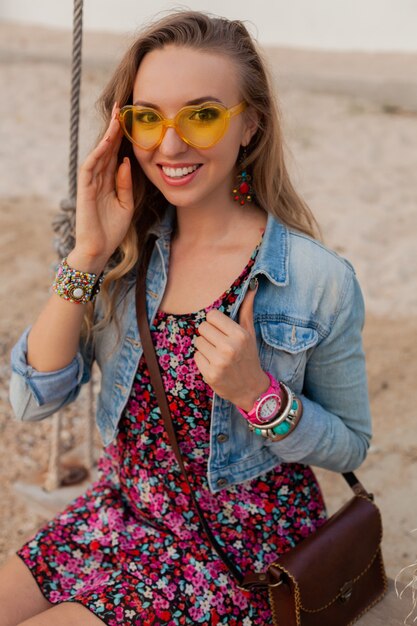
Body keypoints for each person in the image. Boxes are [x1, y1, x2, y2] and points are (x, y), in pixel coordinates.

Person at [2, 9, 372, 626]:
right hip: (119, 512)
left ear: (250, 123)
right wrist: (88, 255)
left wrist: (260, 396)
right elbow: (31, 399)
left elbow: (350, 444)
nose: (169, 145)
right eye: (147, 118)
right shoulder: (125, 253)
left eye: (201, 115)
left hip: (232, 551)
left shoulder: (316, 280)